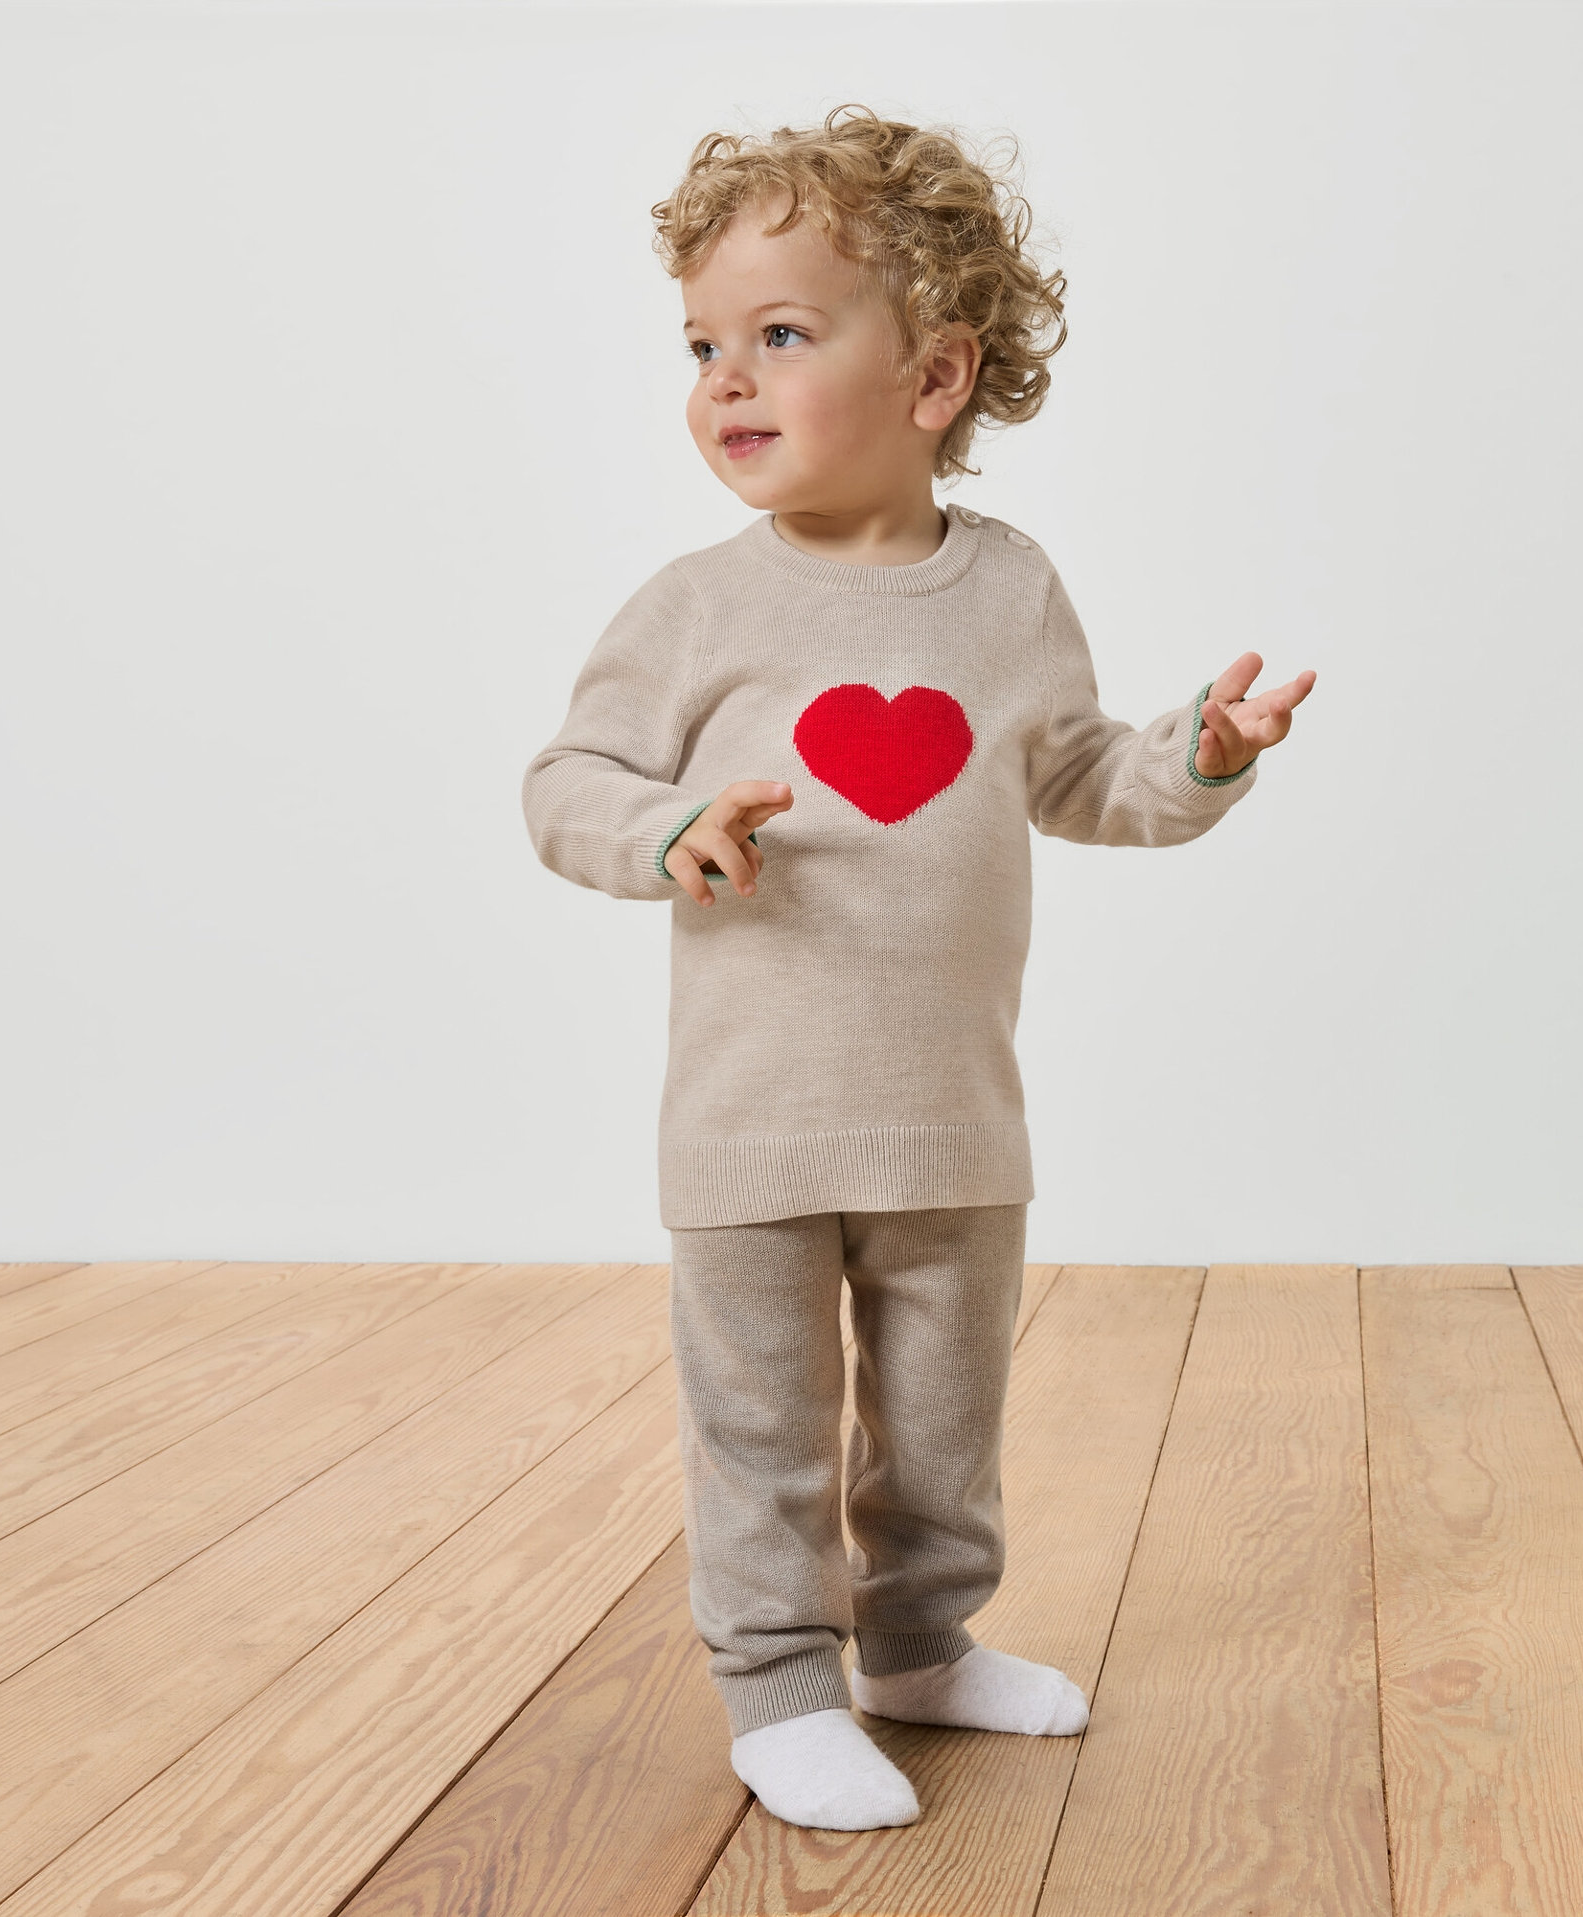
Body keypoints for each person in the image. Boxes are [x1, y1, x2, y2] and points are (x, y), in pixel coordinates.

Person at [521, 105, 1313, 1833]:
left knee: (944, 1422)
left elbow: (1084, 780)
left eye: (779, 334)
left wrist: (1198, 754)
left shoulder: (1007, 593)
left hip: (951, 1118)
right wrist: (666, 829)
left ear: (935, 375)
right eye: (702, 346)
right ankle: (781, 1686)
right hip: (747, 1125)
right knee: (765, 1427)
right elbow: (564, 786)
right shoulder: (694, 606)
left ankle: (919, 1644)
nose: (726, 381)